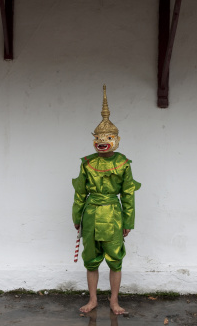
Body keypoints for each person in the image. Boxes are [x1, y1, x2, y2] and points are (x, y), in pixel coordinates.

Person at [72, 85, 141, 315]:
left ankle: (114, 301)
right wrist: (76, 216)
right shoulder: (87, 162)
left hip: (113, 214)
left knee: (115, 260)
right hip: (91, 214)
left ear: (116, 139)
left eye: (108, 137)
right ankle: (93, 300)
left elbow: (128, 193)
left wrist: (128, 221)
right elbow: (80, 192)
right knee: (91, 259)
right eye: (99, 137)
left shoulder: (123, 163)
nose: (103, 141)